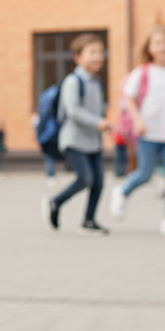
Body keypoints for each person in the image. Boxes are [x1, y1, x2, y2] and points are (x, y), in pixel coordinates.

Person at [110, 26, 165, 236]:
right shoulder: (142, 72)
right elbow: (128, 98)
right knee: (145, 174)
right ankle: (122, 191)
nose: (162, 47)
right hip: (147, 132)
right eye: (157, 43)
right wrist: (137, 120)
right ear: (150, 48)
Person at [41, 34, 112, 235]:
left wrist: (104, 123)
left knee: (98, 182)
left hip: (93, 141)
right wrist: (97, 122)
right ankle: (55, 202)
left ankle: (88, 221)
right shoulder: (73, 81)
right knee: (85, 178)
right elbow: (72, 110)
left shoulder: (96, 82)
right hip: (73, 140)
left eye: (100, 52)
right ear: (78, 57)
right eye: (92, 53)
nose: (97, 57)